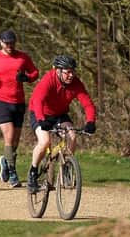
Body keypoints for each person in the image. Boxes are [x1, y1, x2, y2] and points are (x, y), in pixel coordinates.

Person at [26, 54, 96, 193]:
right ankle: (33, 172)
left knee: (72, 135)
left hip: (59, 114)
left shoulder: (76, 83)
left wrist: (91, 122)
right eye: (67, 72)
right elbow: (38, 100)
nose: (71, 75)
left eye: (73, 71)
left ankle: (66, 168)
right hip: (40, 113)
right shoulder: (49, 80)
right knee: (45, 141)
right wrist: (41, 120)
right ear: (57, 71)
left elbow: (87, 104)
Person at [0, 29, 39, 188]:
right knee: (9, 134)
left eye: (12, 42)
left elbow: (34, 72)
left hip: (18, 101)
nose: (10, 46)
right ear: (1, 42)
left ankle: (5, 161)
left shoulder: (23, 57)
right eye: (6, 43)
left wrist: (27, 78)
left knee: (16, 140)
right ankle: (12, 173)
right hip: (0, 101)